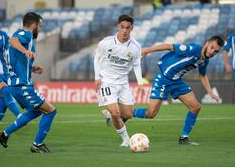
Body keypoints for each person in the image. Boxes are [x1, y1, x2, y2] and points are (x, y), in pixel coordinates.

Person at [132, 36, 224, 145]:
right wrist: (147, 50)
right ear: (207, 43)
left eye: (216, 51)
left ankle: (184, 137)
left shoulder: (204, 61)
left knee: (196, 107)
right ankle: (125, 113)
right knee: (151, 113)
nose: (212, 52)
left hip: (177, 81)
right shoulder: (193, 49)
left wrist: (211, 93)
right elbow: (169, 46)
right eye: (212, 48)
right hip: (163, 78)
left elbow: (202, 75)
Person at [0, 12, 57, 153]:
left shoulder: (23, 35)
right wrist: (24, 50)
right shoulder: (26, 34)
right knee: (51, 111)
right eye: (39, 26)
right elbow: (12, 40)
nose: (40, 29)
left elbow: (17, 60)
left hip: (17, 85)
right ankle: (38, 144)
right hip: (21, 86)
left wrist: (32, 68)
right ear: (34, 25)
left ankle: (4, 134)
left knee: (36, 112)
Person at [94, 14, 144, 147]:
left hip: (123, 82)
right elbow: (96, 58)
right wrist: (97, 77)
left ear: (131, 28)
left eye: (128, 27)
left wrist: (140, 83)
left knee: (127, 114)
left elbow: (137, 65)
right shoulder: (106, 42)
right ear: (118, 27)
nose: (125, 30)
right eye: (122, 27)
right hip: (106, 81)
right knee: (116, 113)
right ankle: (126, 139)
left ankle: (110, 117)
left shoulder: (135, 46)